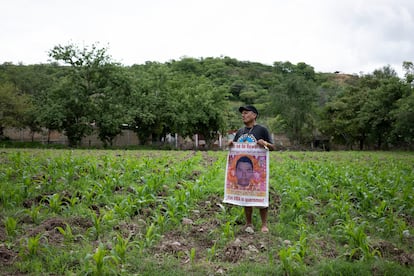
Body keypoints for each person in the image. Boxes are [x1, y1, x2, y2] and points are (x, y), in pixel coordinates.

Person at [228, 105, 274, 233]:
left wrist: (265, 144)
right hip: (243, 168)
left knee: (261, 194)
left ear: (254, 115)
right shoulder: (240, 132)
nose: (243, 115)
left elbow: (273, 147)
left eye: (246, 113)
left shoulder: (262, 130)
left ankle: (264, 224)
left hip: (257, 169)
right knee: (246, 195)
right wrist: (231, 145)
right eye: (242, 113)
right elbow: (235, 148)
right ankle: (249, 223)